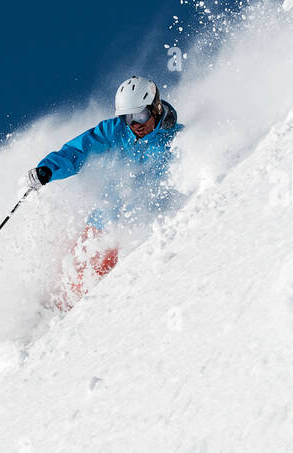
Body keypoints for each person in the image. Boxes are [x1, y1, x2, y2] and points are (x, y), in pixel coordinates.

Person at [26, 76, 183, 306]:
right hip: (101, 219)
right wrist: (48, 169)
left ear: (155, 108)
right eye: (127, 117)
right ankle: (39, 311)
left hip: (133, 230)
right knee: (65, 274)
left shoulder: (177, 140)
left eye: (139, 115)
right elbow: (79, 150)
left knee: (86, 287)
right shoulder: (116, 131)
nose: (135, 124)